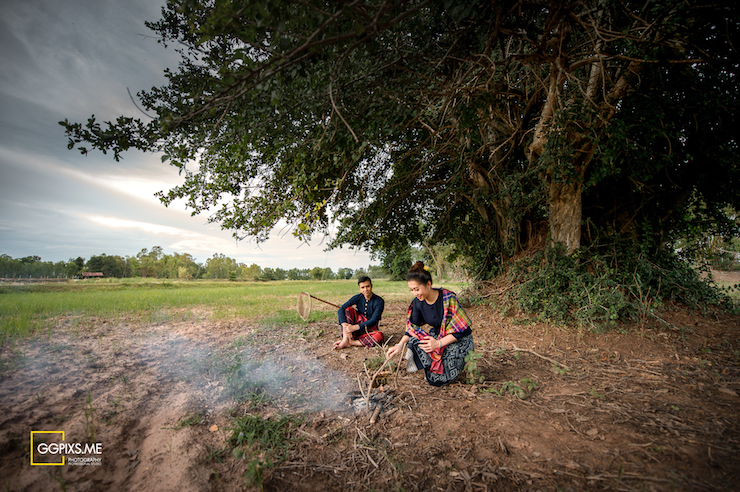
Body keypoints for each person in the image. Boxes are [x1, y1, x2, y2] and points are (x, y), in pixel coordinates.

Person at [386, 261, 474, 386]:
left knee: (442, 374)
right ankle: (434, 364)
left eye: (417, 289)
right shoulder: (417, 302)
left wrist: (438, 344)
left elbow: (463, 330)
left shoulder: (448, 298)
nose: (415, 293)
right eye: (411, 290)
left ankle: (465, 363)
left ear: (428, 284)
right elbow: (412, 329)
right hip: (438, 338)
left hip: (458, 340)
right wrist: (399, 345)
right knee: (414, 342)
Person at [334, 276, 385, 349]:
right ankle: (345, 339)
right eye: (363, 287)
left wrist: (355, 327)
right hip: (356, 328)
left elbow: (374, 320)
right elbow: (341, 309)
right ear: (359, 288)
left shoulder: (379, 301)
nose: (365, 289)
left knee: (379, 336)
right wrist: (345, 326)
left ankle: (351, 342)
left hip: (369, 329)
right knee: (348, 309)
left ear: (371, 286)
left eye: (367, 286)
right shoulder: (357, 297)